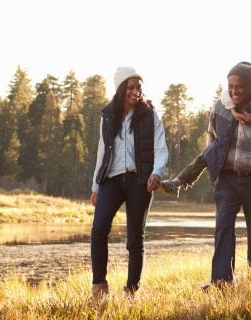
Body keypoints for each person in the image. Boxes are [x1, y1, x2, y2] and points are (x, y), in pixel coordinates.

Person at [89, 66, 168, 298]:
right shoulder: (107, 115)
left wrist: (157, 173)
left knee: (135, 238)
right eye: (130, 87)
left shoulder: (150, 115)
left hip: (139, 180)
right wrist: (96, 186)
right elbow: (102, 152)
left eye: (138, 88)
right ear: (121, 89)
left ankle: (131, 290)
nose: (135, 92)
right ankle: (99, 286)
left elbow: (161, 149)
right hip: (111, 180)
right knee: (98, 230)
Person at [161, 69, 251, 207]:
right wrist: (233, 111)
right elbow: (226, 95)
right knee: (208, 153)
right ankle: (177, 182)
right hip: (236, 156)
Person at [203, 61, 251, 284]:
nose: (234, 91)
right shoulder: (220, 107)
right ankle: (221, 282)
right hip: (227, 179)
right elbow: (211, 136)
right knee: (223, 231)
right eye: (230, 86)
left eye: (239, 86)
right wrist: (213, 165)